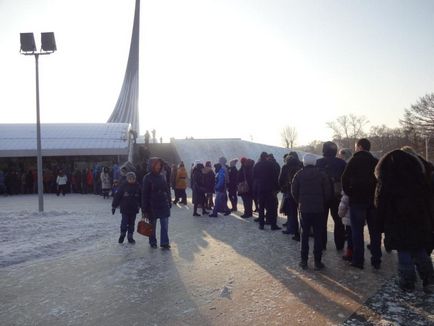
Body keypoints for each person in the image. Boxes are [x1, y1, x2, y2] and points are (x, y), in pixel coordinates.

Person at [375, 148, 434, 293]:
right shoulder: (419, 177)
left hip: (395, 220)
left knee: (403, 250)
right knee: (419, 248)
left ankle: (408, 282)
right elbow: (428, 199)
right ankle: (429, 279)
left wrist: (379, 224)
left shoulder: (386, 179)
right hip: (418, 217)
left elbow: (379, 203)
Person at [341, 138, 382, 270]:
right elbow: (381, 180)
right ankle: (376, 260)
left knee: (357, 232)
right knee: (374, 232)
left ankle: (358, 260)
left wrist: (350, 193)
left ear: (359, 147)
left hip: (357, 201)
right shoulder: (375, 161)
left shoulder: (353, 160)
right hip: (373, 202)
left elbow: (344, 178)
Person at [292, 153, 331, 270]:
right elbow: (327, 192)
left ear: (304, 162)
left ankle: (304, 261)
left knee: (304, 235)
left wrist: (300, 201)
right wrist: (322, 202)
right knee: (318, 235)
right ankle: (318, 262)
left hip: (304, 209)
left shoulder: (298, 175)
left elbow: (294, 191)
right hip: (319, 209)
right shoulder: (322, 175)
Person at [316, 141, 347, 251]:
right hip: (337, 196)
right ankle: (339, 244)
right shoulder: (341, 163)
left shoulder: (318, 163)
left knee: (321, 222)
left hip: (322, 196)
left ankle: (322, 244)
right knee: (338, 222)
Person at [142, 157, 172, 249]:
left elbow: (167, 190)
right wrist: (144, 209)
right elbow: (144, 194)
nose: (159, 166)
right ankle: (152, 241)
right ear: (152, 165)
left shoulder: (162, 176)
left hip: (163, 204)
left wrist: (169, 200)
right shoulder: (147, 178)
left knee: (164, 225)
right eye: (157, 164)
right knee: (152, 226)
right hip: (152, 205)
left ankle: (164, 242)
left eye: (160, 164)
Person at [112, 172, 141, 244]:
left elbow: (141, 197)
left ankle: (130, 236)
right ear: (127, 179)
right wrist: (114, 206)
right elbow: (117, 196)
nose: (131, 180)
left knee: (132, 223)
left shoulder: (138, 186)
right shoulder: (123, 186)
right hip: (125, 208)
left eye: (133, 179)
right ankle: (122, 234)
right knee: (124, 222)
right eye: (130, 179)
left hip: (134, 209)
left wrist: (143, 206)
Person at [253, 152, 280, 230]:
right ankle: (273, 225)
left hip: (260, 189)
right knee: (272, 208)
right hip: (270, 189)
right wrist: (277, 188)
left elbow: (254, 177)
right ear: (266, 157)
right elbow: (275, 177)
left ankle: (261, 224)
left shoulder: (257, 165)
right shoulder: (271, 164)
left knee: (261, 207)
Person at [280, 152, 303, 241]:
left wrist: (283, 188)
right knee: (302, 213)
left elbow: (280, 180)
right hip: (301, 193)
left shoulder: (285, 166)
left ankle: (293, 230)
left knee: (292, 213)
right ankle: (303, 232)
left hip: (289, 192)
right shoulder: (301, 165)